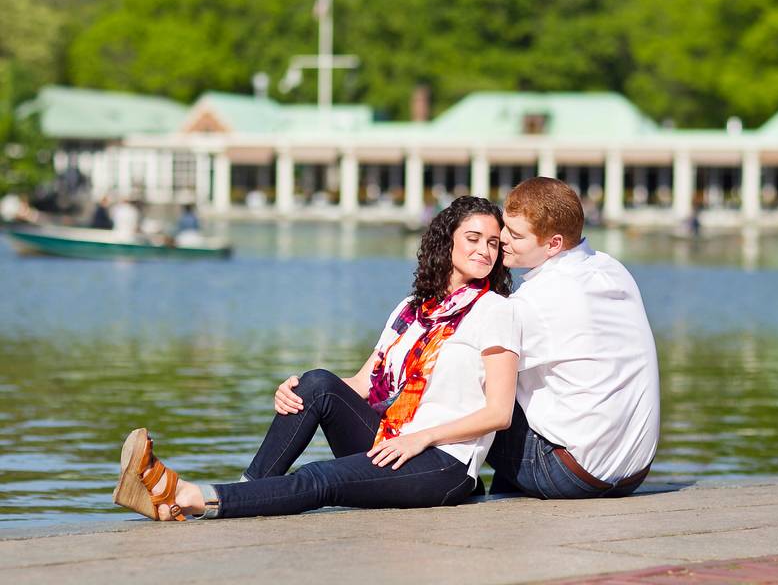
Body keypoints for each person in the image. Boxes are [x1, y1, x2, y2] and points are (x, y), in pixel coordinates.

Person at [113, 196, 519, 521]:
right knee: (317, 382)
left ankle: (187, 496)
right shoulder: (411, 309)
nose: (484, 250)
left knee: (321, 476)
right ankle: (244, 490)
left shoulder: (494, 311)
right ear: (447, 239)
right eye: (473, 238)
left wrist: (423, 437)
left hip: (443, 463)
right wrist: (298, 394)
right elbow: (364, 384)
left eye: (493, 243)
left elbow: (498, 413)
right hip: (391, 441)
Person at [486, 177, 660, 499]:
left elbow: (479, 374)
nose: (501, 239)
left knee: (479, 388)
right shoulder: (612, 268)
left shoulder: (537, 299)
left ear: (553, 244)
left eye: (516, 234)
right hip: (633, 473)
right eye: (504, 226)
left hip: (569, 474)